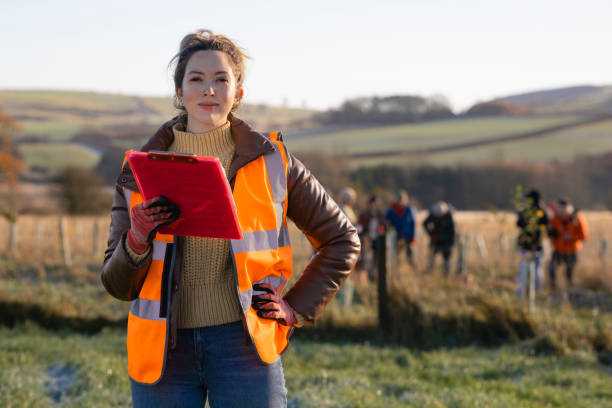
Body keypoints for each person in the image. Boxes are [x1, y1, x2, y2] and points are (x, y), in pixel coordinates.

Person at [101, 30, 360, 408]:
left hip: (244, 347)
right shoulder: (137, 169)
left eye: (221, 79)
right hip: (163, 352)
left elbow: (343, 240)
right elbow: (116, 284)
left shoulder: (275, 161)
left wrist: (295, 307)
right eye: (197, 79)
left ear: (238, 94)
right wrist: (137, 239)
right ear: (179, 92)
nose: (209, 89)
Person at [547, 198, 588, 289]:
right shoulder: (554, 219)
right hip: (558, 249)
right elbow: (550, 233)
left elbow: (584, 236)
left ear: (568, 208)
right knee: (552, 268)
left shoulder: (577, 218)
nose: (560, 210)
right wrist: (552, 233)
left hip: (572, 250)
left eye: (563, 208)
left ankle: (570, 289)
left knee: (569, 272)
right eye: (559, 208)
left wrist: (571, 237)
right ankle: (553, 287)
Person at [516, 189, 548, 295]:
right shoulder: (541, 212)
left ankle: (528, 291)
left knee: (528, 270)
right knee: (534, 269)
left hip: (532, 246)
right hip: (531, 246)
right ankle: (532, 291)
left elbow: (519, 224)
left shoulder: (536, 212)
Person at [385, 189, 417, 267]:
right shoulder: (391, 209)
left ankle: (413, 270)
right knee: (396, 255)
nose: (401, 201)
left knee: (409, 254)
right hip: (396, 237)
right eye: (399, 199)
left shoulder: (410, 209)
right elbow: (386, 221)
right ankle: (396, 269)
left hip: (408, 237)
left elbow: (413, 224)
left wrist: (413, 237)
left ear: (405, 199)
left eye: (402, 199)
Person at [357, 195, 386, 281]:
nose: (373, 205)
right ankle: (366, 277)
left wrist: (381, 232)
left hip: (377, 240)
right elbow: (359, 227)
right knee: (366, 260)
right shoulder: (364, 215)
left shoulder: (380, 215)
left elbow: (383, 227)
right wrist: (362, 232)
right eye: (372, 203)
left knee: (376, 260)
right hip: (366, 240)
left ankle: (373, 276)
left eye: (375, 204)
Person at [423, 201, 455, 275]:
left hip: (446, 241)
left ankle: (446, 274)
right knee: (430, 257)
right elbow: (424, 223)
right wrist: (431, 234)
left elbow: (452, 231)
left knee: (446, 259)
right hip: (435, 240)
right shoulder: (433, 215)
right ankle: (428, 273)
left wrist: (451, 242)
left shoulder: (449, 216)